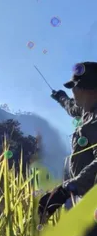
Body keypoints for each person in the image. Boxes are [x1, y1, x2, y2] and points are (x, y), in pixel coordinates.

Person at [38, 62, 97, 223]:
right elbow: (71, 107)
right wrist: (60, 97)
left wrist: (65, 190)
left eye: (74, 86)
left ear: (87, 88)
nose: (73, 91)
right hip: (83, 196)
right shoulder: (86, 109)